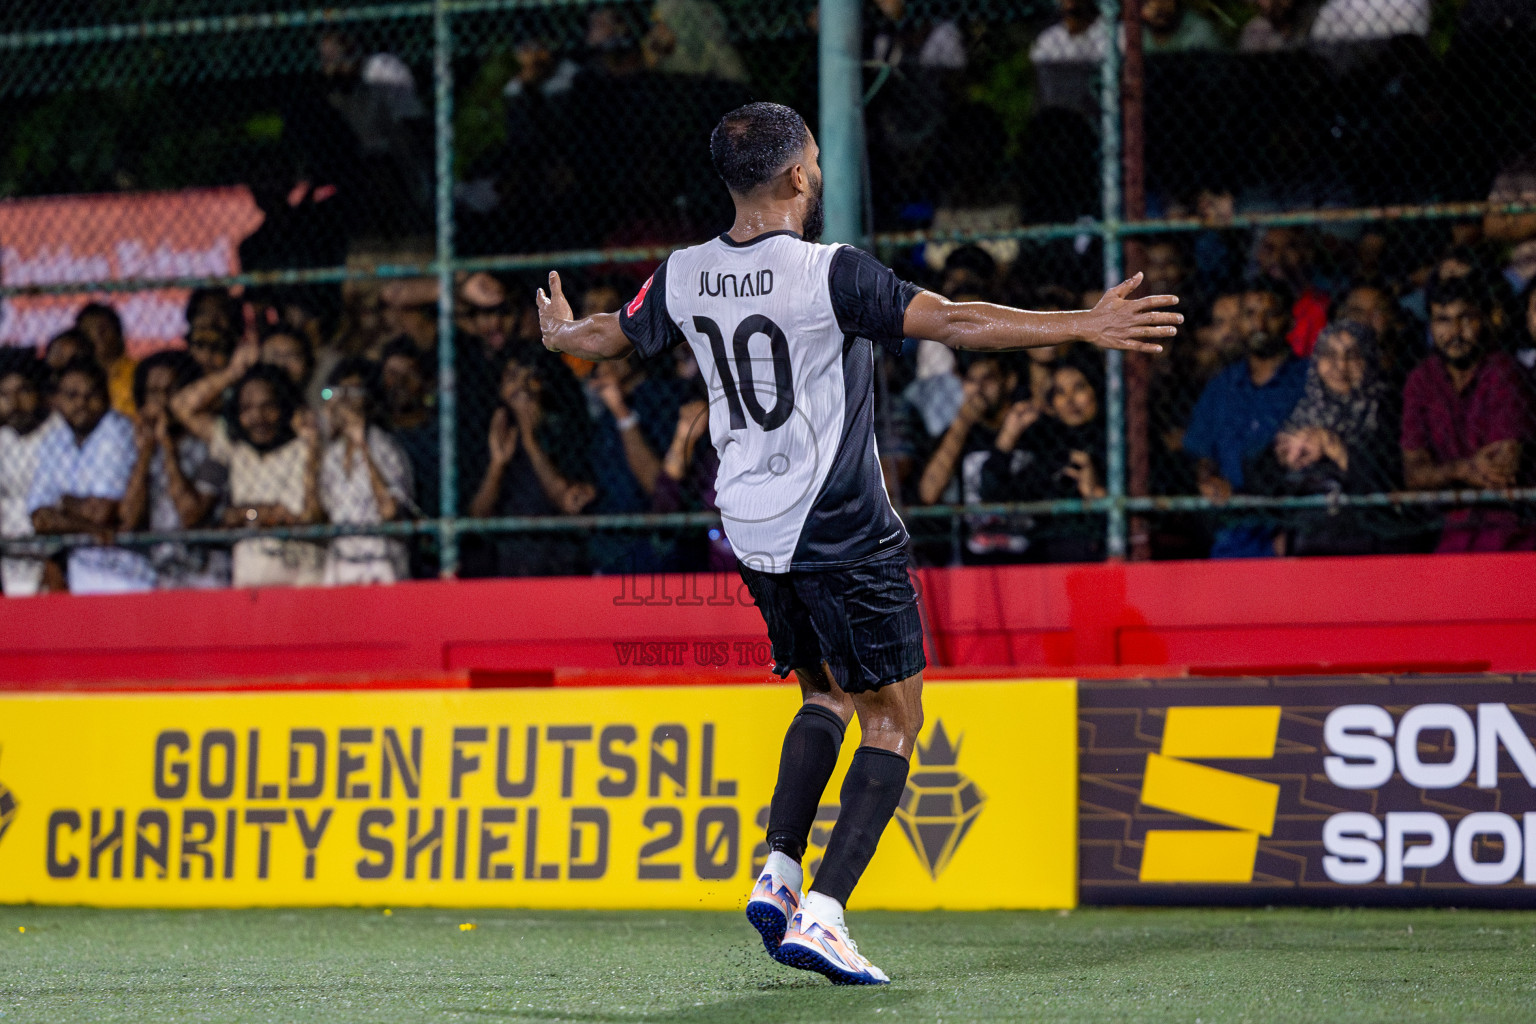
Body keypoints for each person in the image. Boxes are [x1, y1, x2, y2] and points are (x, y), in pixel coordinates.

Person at [534, 102, 1177, 984]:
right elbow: (953, 322)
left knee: (825, 693)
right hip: (840, 528)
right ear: (799, 175)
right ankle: (826, 915)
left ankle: (781, 868)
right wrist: (1084, 324)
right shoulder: (826, 272)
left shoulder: (684, 272)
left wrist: (563, 334)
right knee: (897, 717)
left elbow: (614, 333)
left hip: (752, 531)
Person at [170, 345, 326, 587]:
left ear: (283, 406)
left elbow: (307, 518)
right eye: (247, 409)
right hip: (250, 585)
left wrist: (246, 515)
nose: (258, 418)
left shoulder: (305, 445)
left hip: (303, 581)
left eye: (268, 406)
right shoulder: (234, 445)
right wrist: (232, 372)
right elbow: (181, 406)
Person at [1246, 321, 1404, 555]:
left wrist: (1333, 446)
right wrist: (1282, 457)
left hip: (1370, 532)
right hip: (1307, 532)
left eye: (1352, 356)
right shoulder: (1306, 410)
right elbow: (1259, 477)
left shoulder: (1389, 408)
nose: (1340, 366)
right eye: (1330, 355)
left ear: (1369, 359)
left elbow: (1388, 481)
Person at [1400, 277, 1534, 552]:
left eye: (1465, 318)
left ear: (1485, 320)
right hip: (1440, 520)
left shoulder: (1504, 372)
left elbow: (1501, 471)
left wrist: (1439, 474)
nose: (1455, 332)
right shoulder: (1421, 380)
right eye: (1443, 320)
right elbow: (1413, 474)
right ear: (1430, 326)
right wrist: (1463, 469)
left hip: (1507, 520)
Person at [1183, 281, 1309, 557]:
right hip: (1234, 525)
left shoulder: (1309, 380)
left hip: (1294, 521)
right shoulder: (1221, 387)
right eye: (1250, 314)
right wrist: (1208, 478)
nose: (1259, 324)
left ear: (1289, 321)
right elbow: (1201, 452)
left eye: (1270, 314)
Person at [27, 357, 155, 594]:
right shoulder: (54, 439)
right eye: (72, 396)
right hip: (80, 576)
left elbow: (103, 512)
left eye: (91, 395)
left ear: (107, 397)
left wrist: (64, 504)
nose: (82, 404)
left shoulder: (117, 430)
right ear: (56, 400)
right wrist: (93, 530)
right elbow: (40, 518)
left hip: (127, 576)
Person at [466, 349, 595, 576]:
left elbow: (569, 502)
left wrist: (530, 441)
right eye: (512, 377)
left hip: (559, 563)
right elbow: (477, 517)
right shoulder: (488, 434)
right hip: (506, 564)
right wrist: (497, 464)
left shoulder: (566, 431)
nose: (522, 388)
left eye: (531, 379)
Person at [118, 351, 232, 589]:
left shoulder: (215, 444)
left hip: (208, 574)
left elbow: (190, 514)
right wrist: (146, 453)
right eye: (153, 392)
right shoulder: (138, 447)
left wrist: (168, 449)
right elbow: (128, 519)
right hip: (161, 576)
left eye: (171, 390)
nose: (161, 401)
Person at [979, 354, 1108, 563]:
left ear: (1096, 390)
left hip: (1102, 556)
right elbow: (992, 495)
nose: (1070, 400)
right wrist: (1008, 437)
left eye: (1079, 388)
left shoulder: (1118, 444)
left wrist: (1097, 492)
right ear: (1052, 405)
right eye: (1060, 392)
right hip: (1047, 562)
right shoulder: (1048, 449)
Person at [318, 358, 414, 584]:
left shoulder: (386, 448)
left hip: (382, 567)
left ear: (370, 399)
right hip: (341, 569)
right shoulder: (332, 453)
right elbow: (321, 513)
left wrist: (362, 444)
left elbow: (389, 510)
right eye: (336, 392)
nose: (343, 400)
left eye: (353, 392)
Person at [0, 353, 59, 596]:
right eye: (4, 394)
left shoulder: (59, 433)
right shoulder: (3, 438)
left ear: (41, 394)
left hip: (55, 553)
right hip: (9, 556)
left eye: (23, 391)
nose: (14, 402)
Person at [73, 302, 137, 415]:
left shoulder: (137, 371)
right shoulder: (74, 378)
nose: (96, 336)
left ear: (118, 333)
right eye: (87, 331)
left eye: (103, 329)